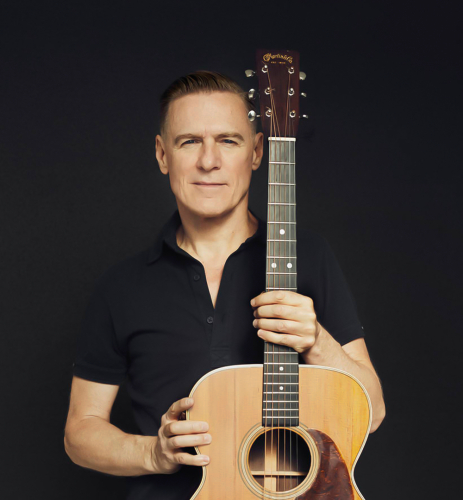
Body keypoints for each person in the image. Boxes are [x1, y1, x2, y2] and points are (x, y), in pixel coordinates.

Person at [64, 71, 386, 499]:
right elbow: (80, 432)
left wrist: (317, 341)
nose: (208, 161)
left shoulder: (309, 257)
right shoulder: (121, 286)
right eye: (189, 141)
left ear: (257, 152)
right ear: (162, 155)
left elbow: (373, 412)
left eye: (228, 141)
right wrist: (152, 453)